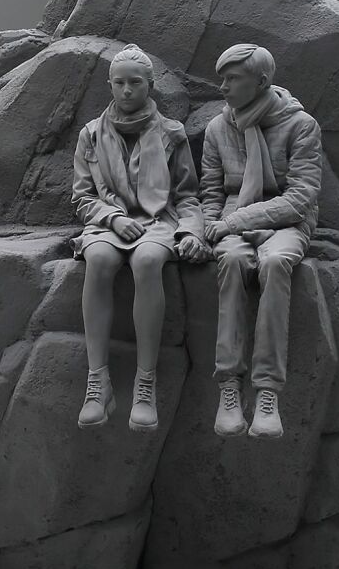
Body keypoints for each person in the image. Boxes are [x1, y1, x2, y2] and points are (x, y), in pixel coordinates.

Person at [72, 44, 205, 432]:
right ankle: (98, 382)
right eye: (119, 83)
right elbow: (82, 196)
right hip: (106, 224)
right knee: (98, 261)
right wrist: (112, 219)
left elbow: (186, 196)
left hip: (157, 222)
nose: (127, 90)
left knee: (147, 261)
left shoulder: (171, 133)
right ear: (109, 85)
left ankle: (145, 383)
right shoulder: (91, 135)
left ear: (150, 85)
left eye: (135, 83)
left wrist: (189, 232)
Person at [201, 44, 322, 438]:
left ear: (262, 81)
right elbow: (210, 192)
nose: (223, 87)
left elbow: (300, 197)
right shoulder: (219, 128)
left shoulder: (300, 125)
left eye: (233, 78)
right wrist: (209, 228)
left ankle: (267, 391)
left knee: (274, 263)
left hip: (287, 222)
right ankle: (230, 388)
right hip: (230, 224)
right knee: (233, 261)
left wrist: (237, 220)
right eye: (223, 78)